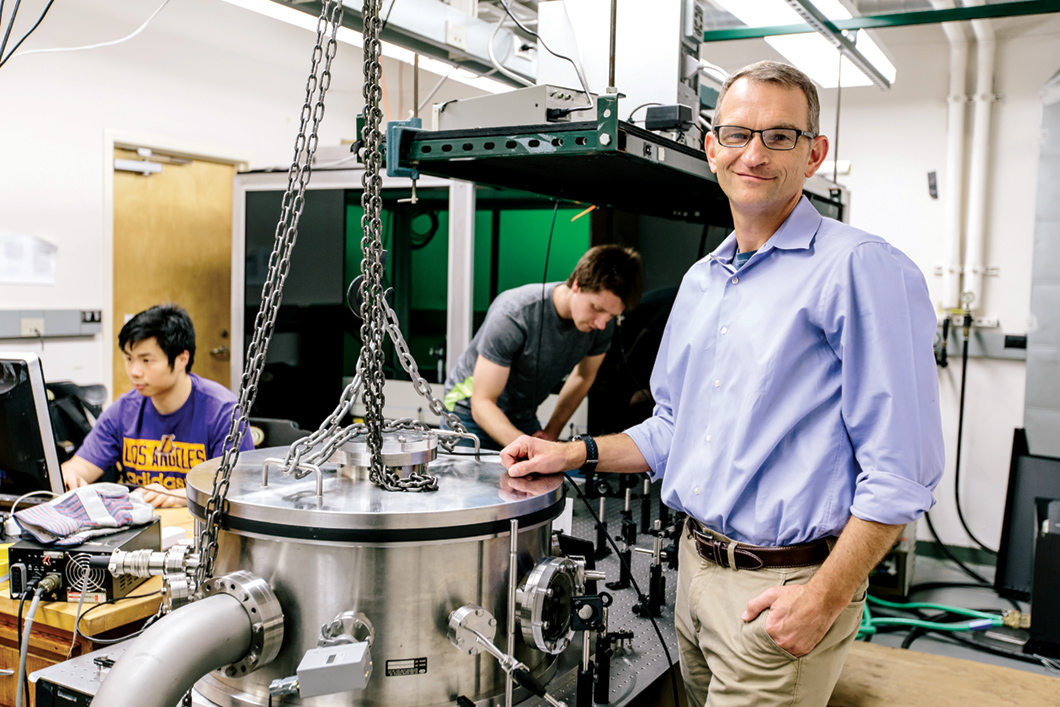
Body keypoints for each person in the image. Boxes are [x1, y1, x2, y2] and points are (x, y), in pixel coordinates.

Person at [501, 61, 944, 707]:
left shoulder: (861, 269)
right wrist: (573, 452)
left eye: (780, 136)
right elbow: (673, 427)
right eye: (737, 134)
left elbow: (902, 471)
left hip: (784, 580)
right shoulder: (704, 280)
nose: (755, 153)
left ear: (815, 153)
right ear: (712, 148)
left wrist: (822, 595)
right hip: (697, 571)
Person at [442, 244, 642, 450]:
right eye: (597, 308)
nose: (601, 323)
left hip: (522, 416)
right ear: (577, 285)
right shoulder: (514, 314)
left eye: (610, 315)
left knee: (538, 476)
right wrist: (532, 449)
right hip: (468, 414)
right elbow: (482, 403)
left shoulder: (601, 326)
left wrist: (552, 431)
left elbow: (583, 376)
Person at [61, 304, 253, 508]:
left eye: (146, 360)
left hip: (201, 530)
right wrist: (69, 476)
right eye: (129, 358)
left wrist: (178, 496)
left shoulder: (223, 412)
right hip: (143, 527)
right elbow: (78, 467)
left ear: (181, 359)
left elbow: (234, 487)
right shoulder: (123, 411)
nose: (134, 371)